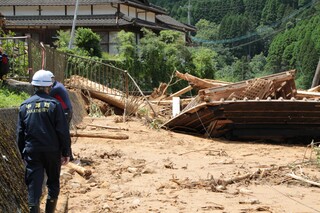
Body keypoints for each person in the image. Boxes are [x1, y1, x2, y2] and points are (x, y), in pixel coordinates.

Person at [17, 69, 71, 213]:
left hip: (32, 151)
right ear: (49, 87)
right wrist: (66, 152)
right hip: (52, 151)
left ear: (34, 86)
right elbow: (62, 131)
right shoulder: (54, 105)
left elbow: (20, 133)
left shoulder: (24, 106)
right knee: (53, 182)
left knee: (33, 186)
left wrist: (24, 153)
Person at [47, 71, 74, 160]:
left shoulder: (56, 88)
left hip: (65, 111)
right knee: (64, 133)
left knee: (63, 133)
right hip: (66, 111)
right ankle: (67, 154)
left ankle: (67, 155)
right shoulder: (57, 85)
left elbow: (45, 96)